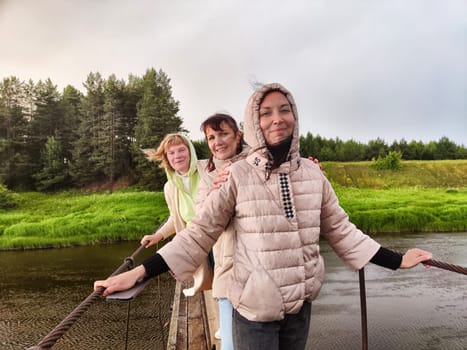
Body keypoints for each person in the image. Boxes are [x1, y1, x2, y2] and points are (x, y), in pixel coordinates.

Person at [95, 83, 432, 350]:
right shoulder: (238, 175)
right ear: (255, 124)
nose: (277, 119)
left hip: (300, 307)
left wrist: (398, 260)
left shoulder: (314, 176)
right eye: (267, 113)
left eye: (285, 110)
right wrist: (139, 273)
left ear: (295, 118)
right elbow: (199, 232)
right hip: (254, 311)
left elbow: (342, 230)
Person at [196, 113, 250, 350]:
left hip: (262, 275)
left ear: (238, 135)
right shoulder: (208, 179)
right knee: (229, 344)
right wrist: (214, 196)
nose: (217, 141)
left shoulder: (258, 166)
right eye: (211, 137)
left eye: (223, 134)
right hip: (227, 272)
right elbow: (200, 221)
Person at [140, 133, 212, 296]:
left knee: (228, 287)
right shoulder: (170, 187)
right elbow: (175, 218)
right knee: (213, 288)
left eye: (181, 150)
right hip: (196, 244)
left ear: (190, 151)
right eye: (171, 153)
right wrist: (158, 236)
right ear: (166, 158)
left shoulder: (208, 170)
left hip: (220, 240)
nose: (177, 156)